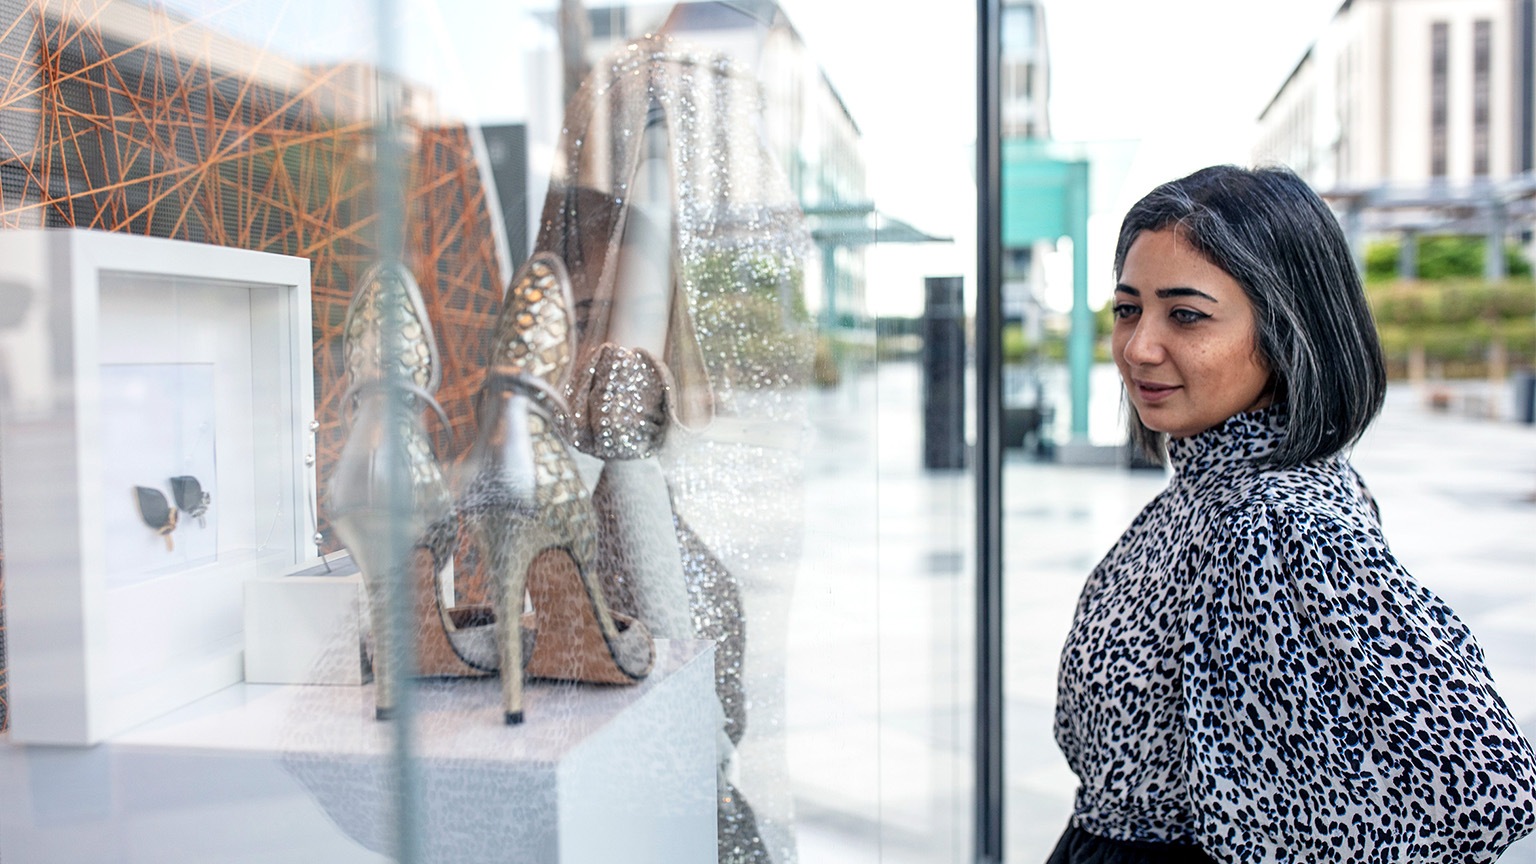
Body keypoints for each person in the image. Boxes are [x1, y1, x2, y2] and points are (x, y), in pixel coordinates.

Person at [1049, 164, 1536, 863]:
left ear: (1285, 329)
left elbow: (1479, 784)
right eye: (1129, 308)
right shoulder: (1217, 490)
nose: (1138, 347)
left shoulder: (1276, 521)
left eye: (1185, 314)